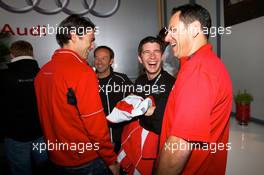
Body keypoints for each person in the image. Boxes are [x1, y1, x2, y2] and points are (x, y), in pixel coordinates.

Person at [34, 15, 119, 175]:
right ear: (74, 37)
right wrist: (111, 160)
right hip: (85, 161)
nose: (92, 45)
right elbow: (95, 124)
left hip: (56, 159)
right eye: (90, 39)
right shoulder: (82, 72)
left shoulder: (42, 72)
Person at [157, 4, 232, 175]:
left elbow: (178, 147)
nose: (167, 38)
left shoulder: (198, 71)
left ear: (194, 29)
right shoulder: (199, 65)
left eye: (173, 30)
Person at [117, 36, 175, 175]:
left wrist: (140, 113)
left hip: (157, 152)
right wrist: (146, 112)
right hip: (136, 145)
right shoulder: (140, 80)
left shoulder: (170, 84)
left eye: (156, 52)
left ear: (162, 56)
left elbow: (159, 125)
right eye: (146, 52)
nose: (152, 56)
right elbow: (131, 112)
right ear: (140, 58)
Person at [0, 40, 47, 175]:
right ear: (32, 53)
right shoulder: (43, 74)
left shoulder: (3, 76)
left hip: (15, 135)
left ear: (12, 55)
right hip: (41, 132)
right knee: (45, 169)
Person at [94, 45, 133, 153]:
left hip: (120, 138)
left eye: (104, 58)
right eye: (97, 58)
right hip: (97, 139)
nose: (99, 62)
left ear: (111, 61)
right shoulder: (88, 80)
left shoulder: (121, 79)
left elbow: (135, 99)